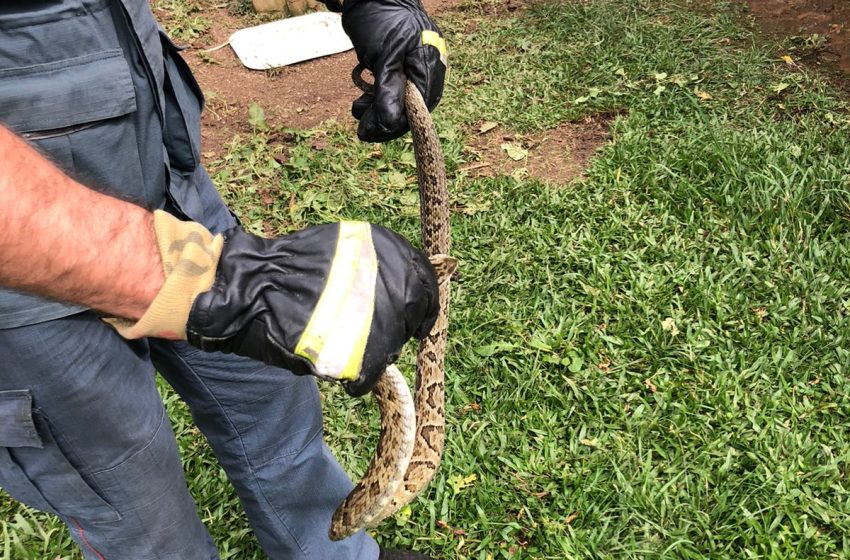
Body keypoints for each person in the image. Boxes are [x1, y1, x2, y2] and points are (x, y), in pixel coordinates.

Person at [0, 1, 446, 559]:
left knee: (272, 399)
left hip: (163, 178)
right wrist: (220, 286)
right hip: (21, 282)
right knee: (137, 503)